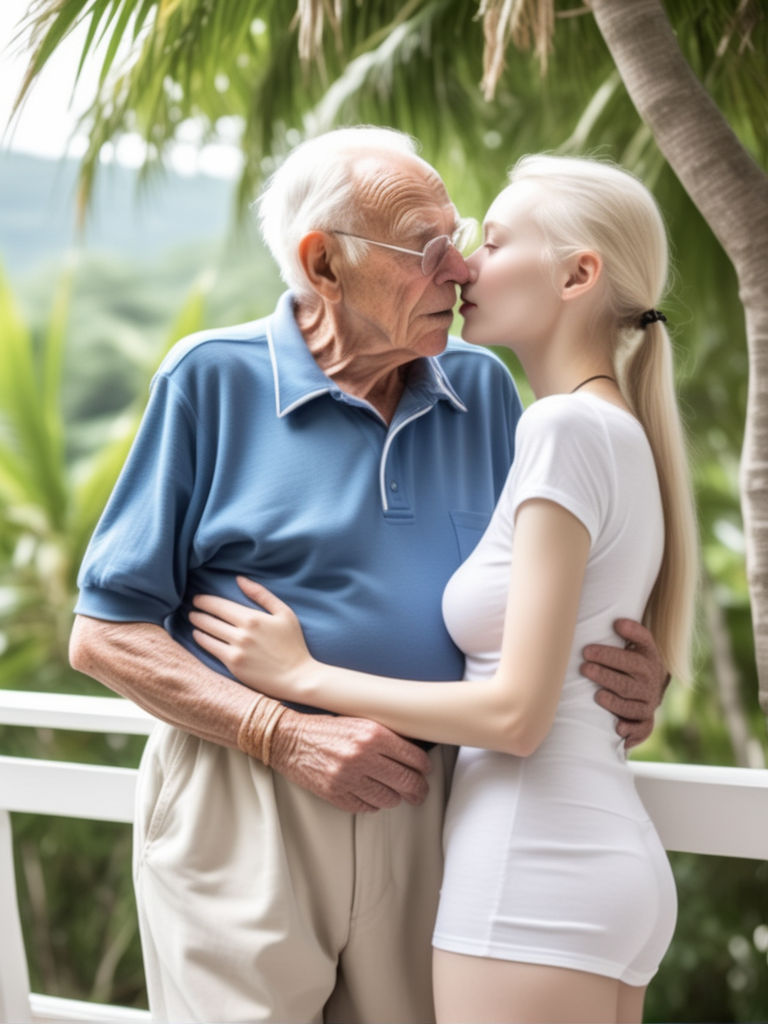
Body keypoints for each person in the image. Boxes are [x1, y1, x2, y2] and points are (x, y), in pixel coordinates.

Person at [70, 130, 669, 1024]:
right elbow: (102, 635)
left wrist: (622, 669)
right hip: (251, 807)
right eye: (428, 250)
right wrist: (279, 729)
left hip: (432, 809)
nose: (460, 269)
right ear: (325, 265)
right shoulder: (211, 380)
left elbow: (545, 592)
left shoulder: (491, 392)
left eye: (462, 238)